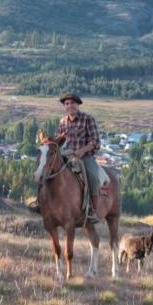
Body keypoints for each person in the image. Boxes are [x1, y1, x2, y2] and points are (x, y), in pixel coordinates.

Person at [56, 93, 102, 223]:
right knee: (48, 171)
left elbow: (96, 141)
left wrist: (83, 150)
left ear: (78, 104)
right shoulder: (62, 122)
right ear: (65, 107)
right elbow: (59, 140)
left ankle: (93, 210)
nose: (70, 106)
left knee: (93, 176)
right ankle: (44, 203)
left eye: (72, 103)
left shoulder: (88, 119)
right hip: (67, 156)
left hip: (84, 157)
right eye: (67, 104)